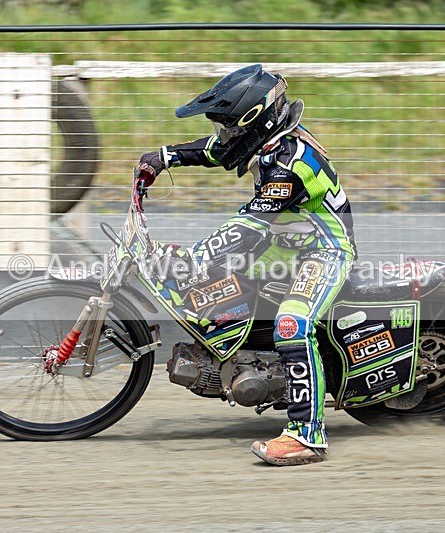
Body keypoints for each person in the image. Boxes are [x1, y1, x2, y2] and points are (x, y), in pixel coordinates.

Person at [138, 64, 356, 466]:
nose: (225, 137)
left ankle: (307, 435)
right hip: (286, 244)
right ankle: (248, 364)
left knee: (292, 325)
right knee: (213, 290)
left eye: (230, 128)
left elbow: (249, 225)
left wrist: (193, 257)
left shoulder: (292, 164)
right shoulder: (268, 143)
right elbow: (215, 149)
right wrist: (165, 157)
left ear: (254, 122)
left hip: (322, 252)